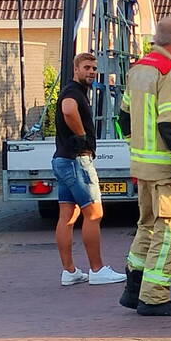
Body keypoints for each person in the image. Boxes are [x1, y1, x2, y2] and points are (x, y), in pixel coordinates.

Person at [117, 17, 171, 316]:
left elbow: (124, 117)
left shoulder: (138, 70)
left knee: (147, 227)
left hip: (143, 166)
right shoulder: (170, 73)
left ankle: (133, 289)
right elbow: (169, 126)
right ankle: (154, 297)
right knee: (168, 233)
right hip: (166, 170)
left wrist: (136, 149)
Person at [50, 52, 126, 286]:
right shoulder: (73, 92)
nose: (92, 72)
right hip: (77, 161)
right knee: (94, 214)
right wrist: (82, 135)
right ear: (76, 69)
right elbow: (68, 109)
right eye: (87, 67)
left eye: (94, 68)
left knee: (67, 216)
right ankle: (97, 270)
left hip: (62, 160)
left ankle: (69, 271)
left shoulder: (74, 90)